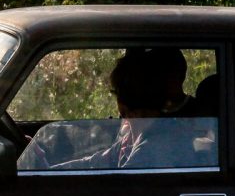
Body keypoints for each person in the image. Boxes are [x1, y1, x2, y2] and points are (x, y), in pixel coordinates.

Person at [55, 48, 201, 170]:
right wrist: (49, 169)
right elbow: (95, 162)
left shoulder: (152, 150)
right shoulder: (135, 138)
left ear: (123, 107)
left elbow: (118, 187)